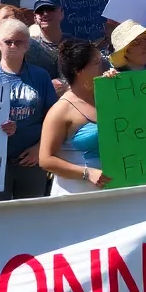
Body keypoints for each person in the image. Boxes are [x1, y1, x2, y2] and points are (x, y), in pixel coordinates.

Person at [0, 19, 56, 200]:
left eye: (19, 42)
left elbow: (52, 118)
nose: (13, 46)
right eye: (8, 41)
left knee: (29, 217)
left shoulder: (40, 76)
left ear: (27, 45)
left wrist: (40, 148)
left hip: (31, 160)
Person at [39, 39, 108, 195]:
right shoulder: (61, 111)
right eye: (97, 63)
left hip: (112, 193)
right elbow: (45, 159)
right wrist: (87, 173)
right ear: (79, 70)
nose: (103, 67)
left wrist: (118, 85)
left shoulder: (107, 97)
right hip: (74, 195)